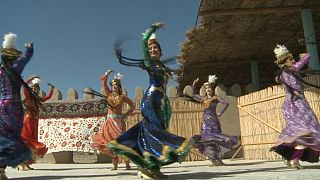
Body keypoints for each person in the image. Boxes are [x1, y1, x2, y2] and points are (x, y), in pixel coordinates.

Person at [108, 22, 194, 179]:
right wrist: (152, 30)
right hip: (150, 101)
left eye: (156, 48)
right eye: (151, 48)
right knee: (155, 132)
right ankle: (148, 167)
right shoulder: (150, 63)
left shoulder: (163, 68)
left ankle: (151, 167)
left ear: (161, 52)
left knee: (155, 133)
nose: (153, 49)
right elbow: (144, 44)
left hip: (161, 102)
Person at [270, 44, 320, 169]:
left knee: (296, 134)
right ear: (284, 62)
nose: (293, 61)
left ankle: (288, 158)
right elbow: (302, 63)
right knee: (305, 133)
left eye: (292, 59)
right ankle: (295, 160)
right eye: (290, 60)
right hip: (298, 105)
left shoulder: (282, 74)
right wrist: (305, 56)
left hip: (289, 106)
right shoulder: (290, 71)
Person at [0, 33, 35, 179]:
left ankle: (0, 170)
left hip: (1, 107)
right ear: (13, 58)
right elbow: (26, 57)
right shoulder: (15, 69)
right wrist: (29, 48)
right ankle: (1, 170)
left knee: (2, 136)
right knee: (11, 137)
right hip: (13, 108)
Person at [190, 75, 240, 166]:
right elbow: (193, 95)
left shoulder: (216, 98)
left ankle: (218, 156)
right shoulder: (203, 98)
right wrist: (194, 85)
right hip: (205, 122)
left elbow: (226, 103)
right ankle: (214, 159)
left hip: (214, 121)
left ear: (212, 89)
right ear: (205, 90)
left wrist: (220, 112)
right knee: (207, 139)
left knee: (215, 138)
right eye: (207, 89)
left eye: (209, 88)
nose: (208, 90)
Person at [92, 70, 135, 171]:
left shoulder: (122, 97)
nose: (114, 87)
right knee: (110, 143)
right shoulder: (109, 94)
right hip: (110, 122)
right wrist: (107, 73)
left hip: (119, 122)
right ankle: (114, 164)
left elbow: (132, 105)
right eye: (113, 85)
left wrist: (126, 114)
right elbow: (103, 82)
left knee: (121, 143)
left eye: (116, 85)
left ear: (119, 86)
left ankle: (127, 163)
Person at [18, 76, 55, 171]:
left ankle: (27, 163)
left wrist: (52, 89)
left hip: (35, 121)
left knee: (33, 143)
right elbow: (24, 86)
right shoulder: (28, 97)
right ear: (31, 89)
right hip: (29, 120)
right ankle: (21, 164)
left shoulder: (37, 100)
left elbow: (47, 97)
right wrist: (31, 78)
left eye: (37, 88)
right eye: (34, 88)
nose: (36, 90)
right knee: (27, 141)